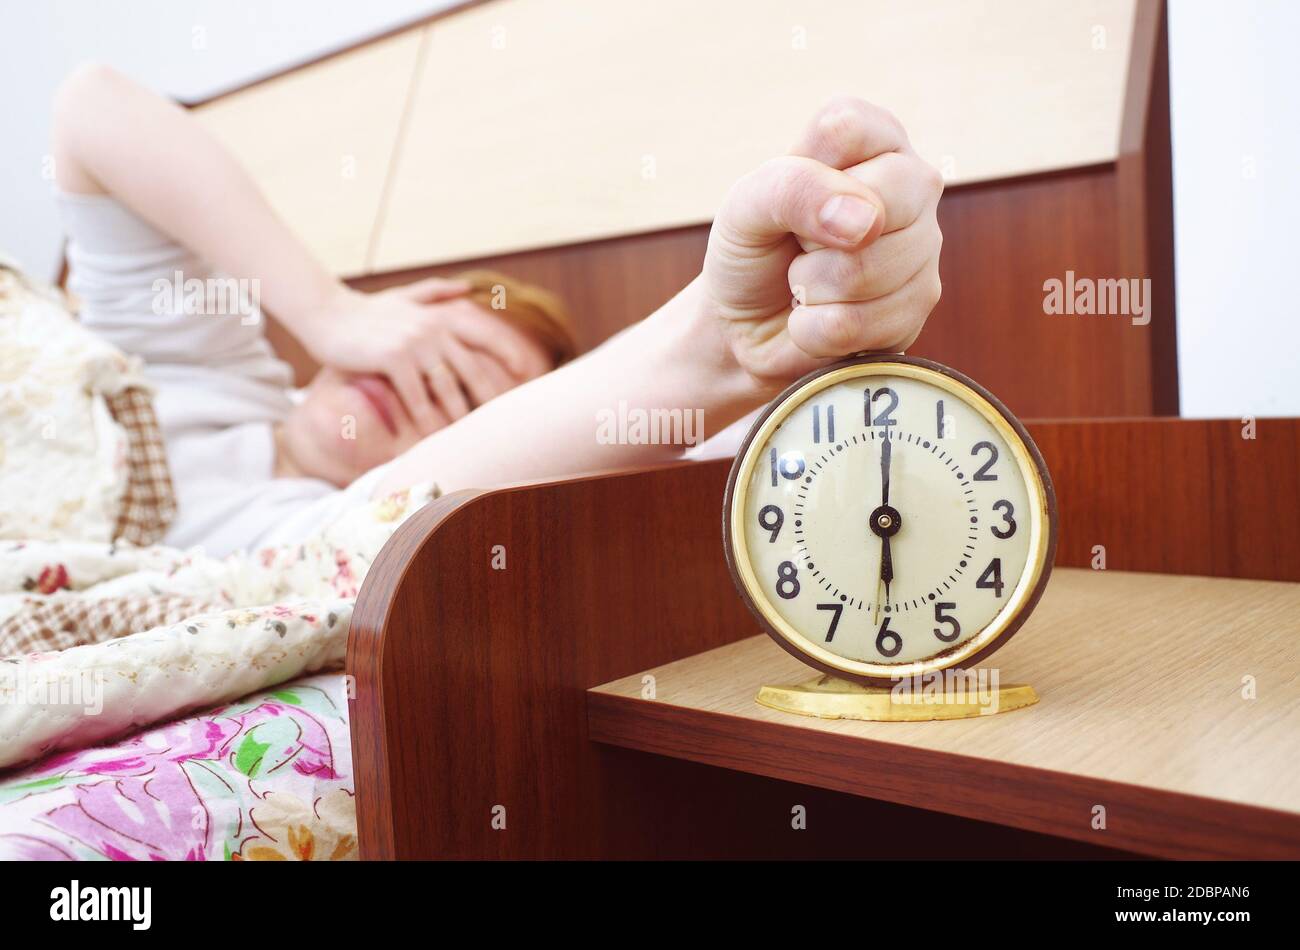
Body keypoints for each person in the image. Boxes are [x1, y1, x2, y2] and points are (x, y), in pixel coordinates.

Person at [53, 64, 943, 552]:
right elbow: (93, 110)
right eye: (433, 352)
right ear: (402, 307)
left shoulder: (312, 543)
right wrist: (328, 311)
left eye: (469, 398)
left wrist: (742, 338)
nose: (421, 390)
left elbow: (699, 431)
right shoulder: (192, 363)